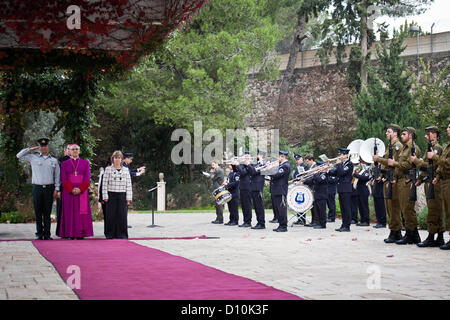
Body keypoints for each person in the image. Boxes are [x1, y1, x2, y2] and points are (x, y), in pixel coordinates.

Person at [16, 138, 60, 240]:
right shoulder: (33, 157)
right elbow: (19, 155)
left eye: (45, 146)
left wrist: (57, 189)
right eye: (41, 146)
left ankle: (47, 234)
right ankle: (39, 233)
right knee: (38, 212)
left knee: (47, 212)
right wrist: (32, 149)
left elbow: (57, 176)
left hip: (49, 188)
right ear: (39, 147)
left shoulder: (54, 160)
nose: (43, 148)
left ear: (48, 147)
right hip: (37, 188)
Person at [412, 126, 445, 248]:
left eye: (428, 134)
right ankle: (439, 237)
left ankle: (432, 236)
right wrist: (420, 179)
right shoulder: (430, 148)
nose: (426, 136)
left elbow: (434, 165)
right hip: (429, 181)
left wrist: (416, 161)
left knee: (433, 210)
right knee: (435, 209)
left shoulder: (437, 148)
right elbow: (427, 167)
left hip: (434, 183)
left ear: (434, 135)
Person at [389, 127, 421, 245]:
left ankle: (411, 234)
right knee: (404, 208)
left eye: (404, 134)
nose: (402, 136)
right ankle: (412, 234)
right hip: (401, 180)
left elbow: (408, 164)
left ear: (411, 135)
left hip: (407, 180)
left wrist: (395, 163)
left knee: (408, 209)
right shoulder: (404, 149)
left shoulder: (414, 148)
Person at [373, 124, 403, 243]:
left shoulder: (397, 146)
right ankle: (395, 231)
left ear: (395, 133)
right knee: (389, 207)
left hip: (394, 180)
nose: (386, 133)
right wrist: (381, 175)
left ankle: (396, 231)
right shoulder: (390, 146)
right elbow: (387, 164)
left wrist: (378, 159)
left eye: (388, 132)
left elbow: (395, 164)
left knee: (394, 207)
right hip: (388, 179)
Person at [58, 144, 94, 239]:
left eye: (76, 149)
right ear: (69, 151)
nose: (75, 151)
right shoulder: (64, 164)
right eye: (73, 149)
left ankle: (80, 234)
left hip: (82, 192)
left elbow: (87, 179)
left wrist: (80, 189)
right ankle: (69, 233)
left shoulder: (85, 163)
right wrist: (71, 189)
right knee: (69, 213)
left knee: (81, 213)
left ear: (79, 151)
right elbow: (63, 179)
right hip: (68, 192)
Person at [102, 151, 133, 239]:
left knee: (122, 215)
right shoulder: (108, 169)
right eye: (115, 158)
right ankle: (110, 234)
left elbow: (129, 184)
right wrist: (105, 196)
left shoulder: (126, 170)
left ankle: (122, 234)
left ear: (122, 159)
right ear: (113, 159)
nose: (117, 159)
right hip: (111, 195)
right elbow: (104, 184)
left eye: (119, 158)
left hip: (122, 195)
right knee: (111, 216)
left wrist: (129, 198)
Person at [328, 148, 353, 232]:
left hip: (346, 188)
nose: (339, 156)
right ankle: (343, 224)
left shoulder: (349, 164)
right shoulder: (341, 164)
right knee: (342, 208)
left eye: (341, 154)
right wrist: (328, 169)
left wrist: (338, 165)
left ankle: (347, 226)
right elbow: (334, 172)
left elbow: (342, 172)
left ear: (346, 155)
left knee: (346, 208)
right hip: (341, 189)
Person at [435, 123, 450, 250]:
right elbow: (442, 166)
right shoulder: (447, 147)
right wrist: (438, 176)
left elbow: (448, 164)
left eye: (449, 127)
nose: (447, 129)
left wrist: (434, 157)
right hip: (444, 180)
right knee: (448, 211)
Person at [122, 152, 145, 228]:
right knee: (124, 207)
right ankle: (123, 223)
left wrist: (138, 169)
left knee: (125, 207)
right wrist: (140, 173)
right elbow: (129, 173)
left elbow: (130, 171)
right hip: (123, 188)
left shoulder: (125, 165)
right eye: (130, 159)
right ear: (126, 158)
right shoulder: (123, 165)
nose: (131, 161)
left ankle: (124, 223)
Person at [270, 150, 290, 232]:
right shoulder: (281, 165)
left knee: (282, 208)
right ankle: (280, 224)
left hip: (281, 189)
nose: (277, 158)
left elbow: (276, 175)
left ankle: (283, 226)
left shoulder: (285, 165)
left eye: (278, 156)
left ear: (282, 156)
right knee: (278, 209)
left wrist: (269, 169)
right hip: (277, 189)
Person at [245, 149, 266, 230]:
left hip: (258, 186)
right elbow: (250, 172)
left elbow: (254, 172)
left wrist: (248, 165)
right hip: (254, 186)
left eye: (257, 154)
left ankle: (261, 223)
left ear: (260, 155)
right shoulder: (257, 163)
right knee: (256, 206)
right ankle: (259, 222)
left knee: (259, 206)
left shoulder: (262, 163)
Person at [56, 144, 71, 236]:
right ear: (65, 150)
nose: (71, 151)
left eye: (72, 149)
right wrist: (57, 189)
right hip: (63, 188)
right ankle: (61, 231)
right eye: (69, 149)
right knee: (61, 210)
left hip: (74, 188)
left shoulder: (77, 161)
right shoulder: (60, 161)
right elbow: (57, 176)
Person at [234, 152, 253, 227]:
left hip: (247, 186)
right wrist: (234, 164)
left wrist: (238, 164)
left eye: (246, 155)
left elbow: (243, 172)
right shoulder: (243, 164)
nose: (244, 157)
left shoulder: (249, 164)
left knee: (247, 205)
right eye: (244, 155)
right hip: (242, 186)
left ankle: (248, 221)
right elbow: (236, 171)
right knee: (243, 205)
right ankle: (245, 221)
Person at [352, 159, 371, 227]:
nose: (360, 163)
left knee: (364, 206)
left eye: (361, 162)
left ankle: (366, 220)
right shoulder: (360, 170)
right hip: (359, 189)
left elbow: (366, 178)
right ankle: (362, 220)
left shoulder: (367, 170)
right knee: (360, 206)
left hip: (364, 190)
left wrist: (355, 174)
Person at [303, 154, 320, 227]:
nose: (307, 163)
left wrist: (305, 181)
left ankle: (316, 220)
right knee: (312, 205)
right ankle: (313, 221)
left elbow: (313, 179)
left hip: (314, 188)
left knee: (314, 205)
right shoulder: (312, 167)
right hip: (311, 188)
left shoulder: (315, 167)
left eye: (307, 161)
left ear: (311, 160)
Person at [292, 153, 308, 225]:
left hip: (302, 186)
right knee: (298, 203)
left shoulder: (304, 166)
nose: (297, 161)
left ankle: (302, 219)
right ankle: (299, 218)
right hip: (297, 185)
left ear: (302, 159)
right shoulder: (298, 166)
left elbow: (305, 176)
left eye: (298, 159)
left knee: (301, 203)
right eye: (296, 160)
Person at [98, 159, 111, 237]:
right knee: (107, 216)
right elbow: (101, 186)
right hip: (105, 197)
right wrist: (101, 198)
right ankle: (107, 232)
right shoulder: (104, 172)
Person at [210, 160, 225, 224]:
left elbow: (212, 178)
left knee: (219, 204)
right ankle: (218, 218)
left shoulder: (218, 171)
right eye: (212, 165)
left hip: (218, 188)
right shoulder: (217, 170)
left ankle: (220, 219)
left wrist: (211, 173)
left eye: (213, 165)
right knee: (217, 204)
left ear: (217, 164)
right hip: (217, 188)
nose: (212, 166)